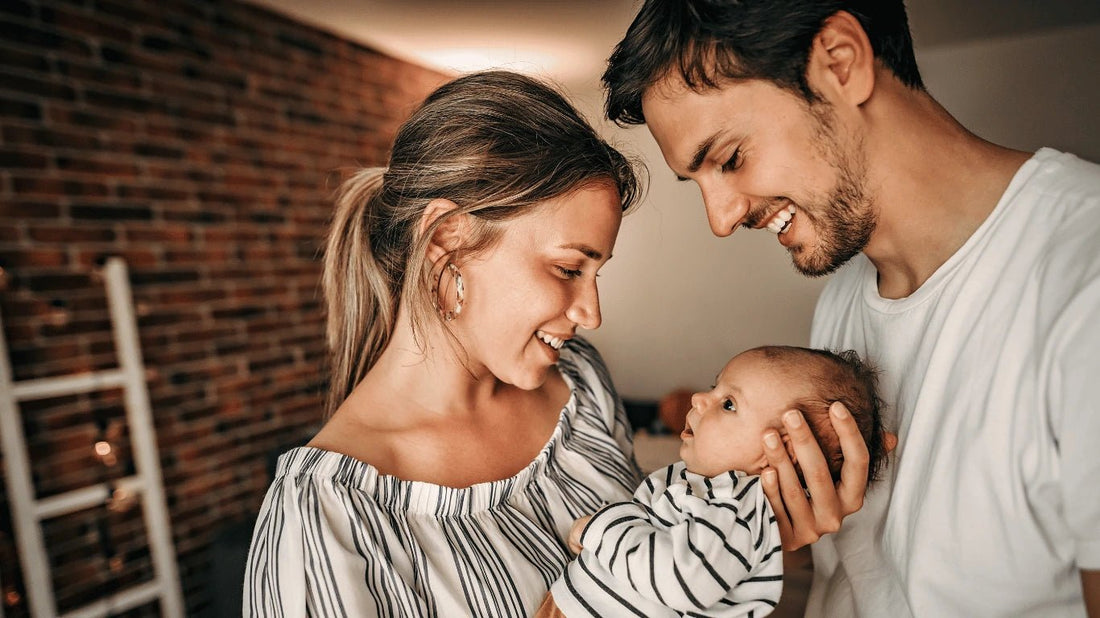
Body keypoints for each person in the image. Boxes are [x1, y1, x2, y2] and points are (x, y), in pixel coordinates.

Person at [602, 1, 1100, 616]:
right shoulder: (843, 297)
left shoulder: (1084, 280)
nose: (722, 219)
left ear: (841, 62)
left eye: (730, 159)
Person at [243, 70, 645, 616]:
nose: (591, 314)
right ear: (446, 237)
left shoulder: (582, 381)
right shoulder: (324, 519)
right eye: (568, 268)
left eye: (596, 273)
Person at [536, 345, 889, 617]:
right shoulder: (702, 487)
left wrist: (603, 527)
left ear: (782, 450)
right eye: (713, 387)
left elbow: (683, 581)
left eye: (729, 404)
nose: (699, 399)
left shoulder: (737, 510)